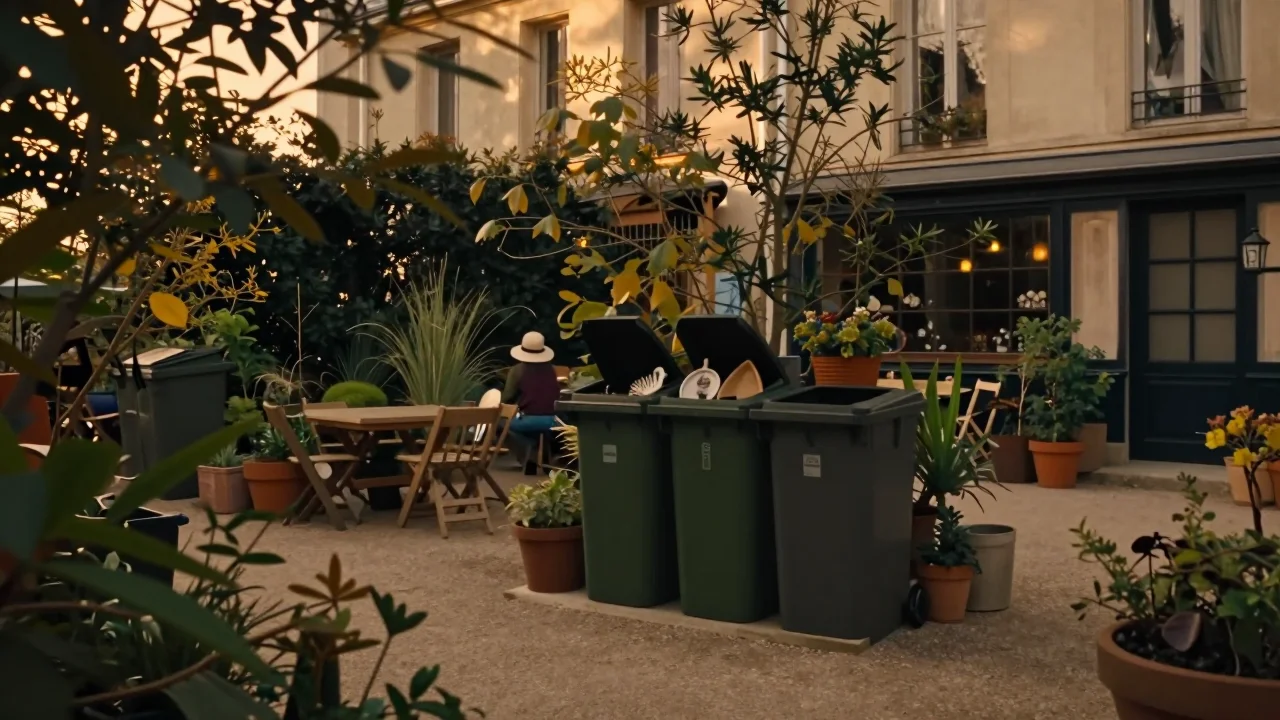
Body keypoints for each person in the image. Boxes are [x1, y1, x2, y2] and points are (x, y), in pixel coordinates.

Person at [502, 331, 561, 474]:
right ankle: (542, 455)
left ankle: (529, 454)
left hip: (527, 419)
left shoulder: (517, 370)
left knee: (500, 424)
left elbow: (507, 398)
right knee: (539, 429)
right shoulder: (551, 370)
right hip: (553, 421)